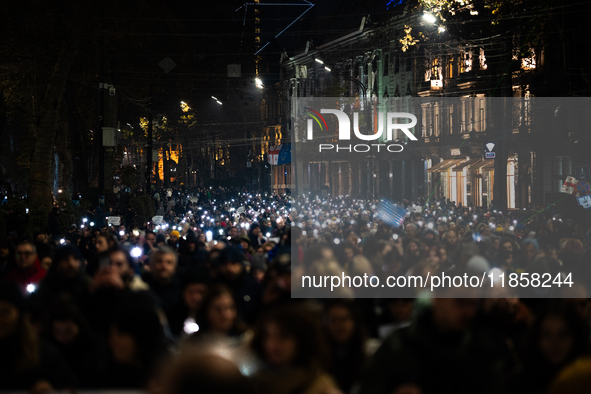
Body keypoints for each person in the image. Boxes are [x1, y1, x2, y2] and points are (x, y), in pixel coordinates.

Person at [0, 282, 77, 390]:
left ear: (20, 316)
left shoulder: (43, 353)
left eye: (5, 312)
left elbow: (70, 387)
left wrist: (50, 388)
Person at [251, 304, 341, 394]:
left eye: (283, 336)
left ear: (302, 340)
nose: (272, 344)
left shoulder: (319, 386)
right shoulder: (252, 381)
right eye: (267, 336)